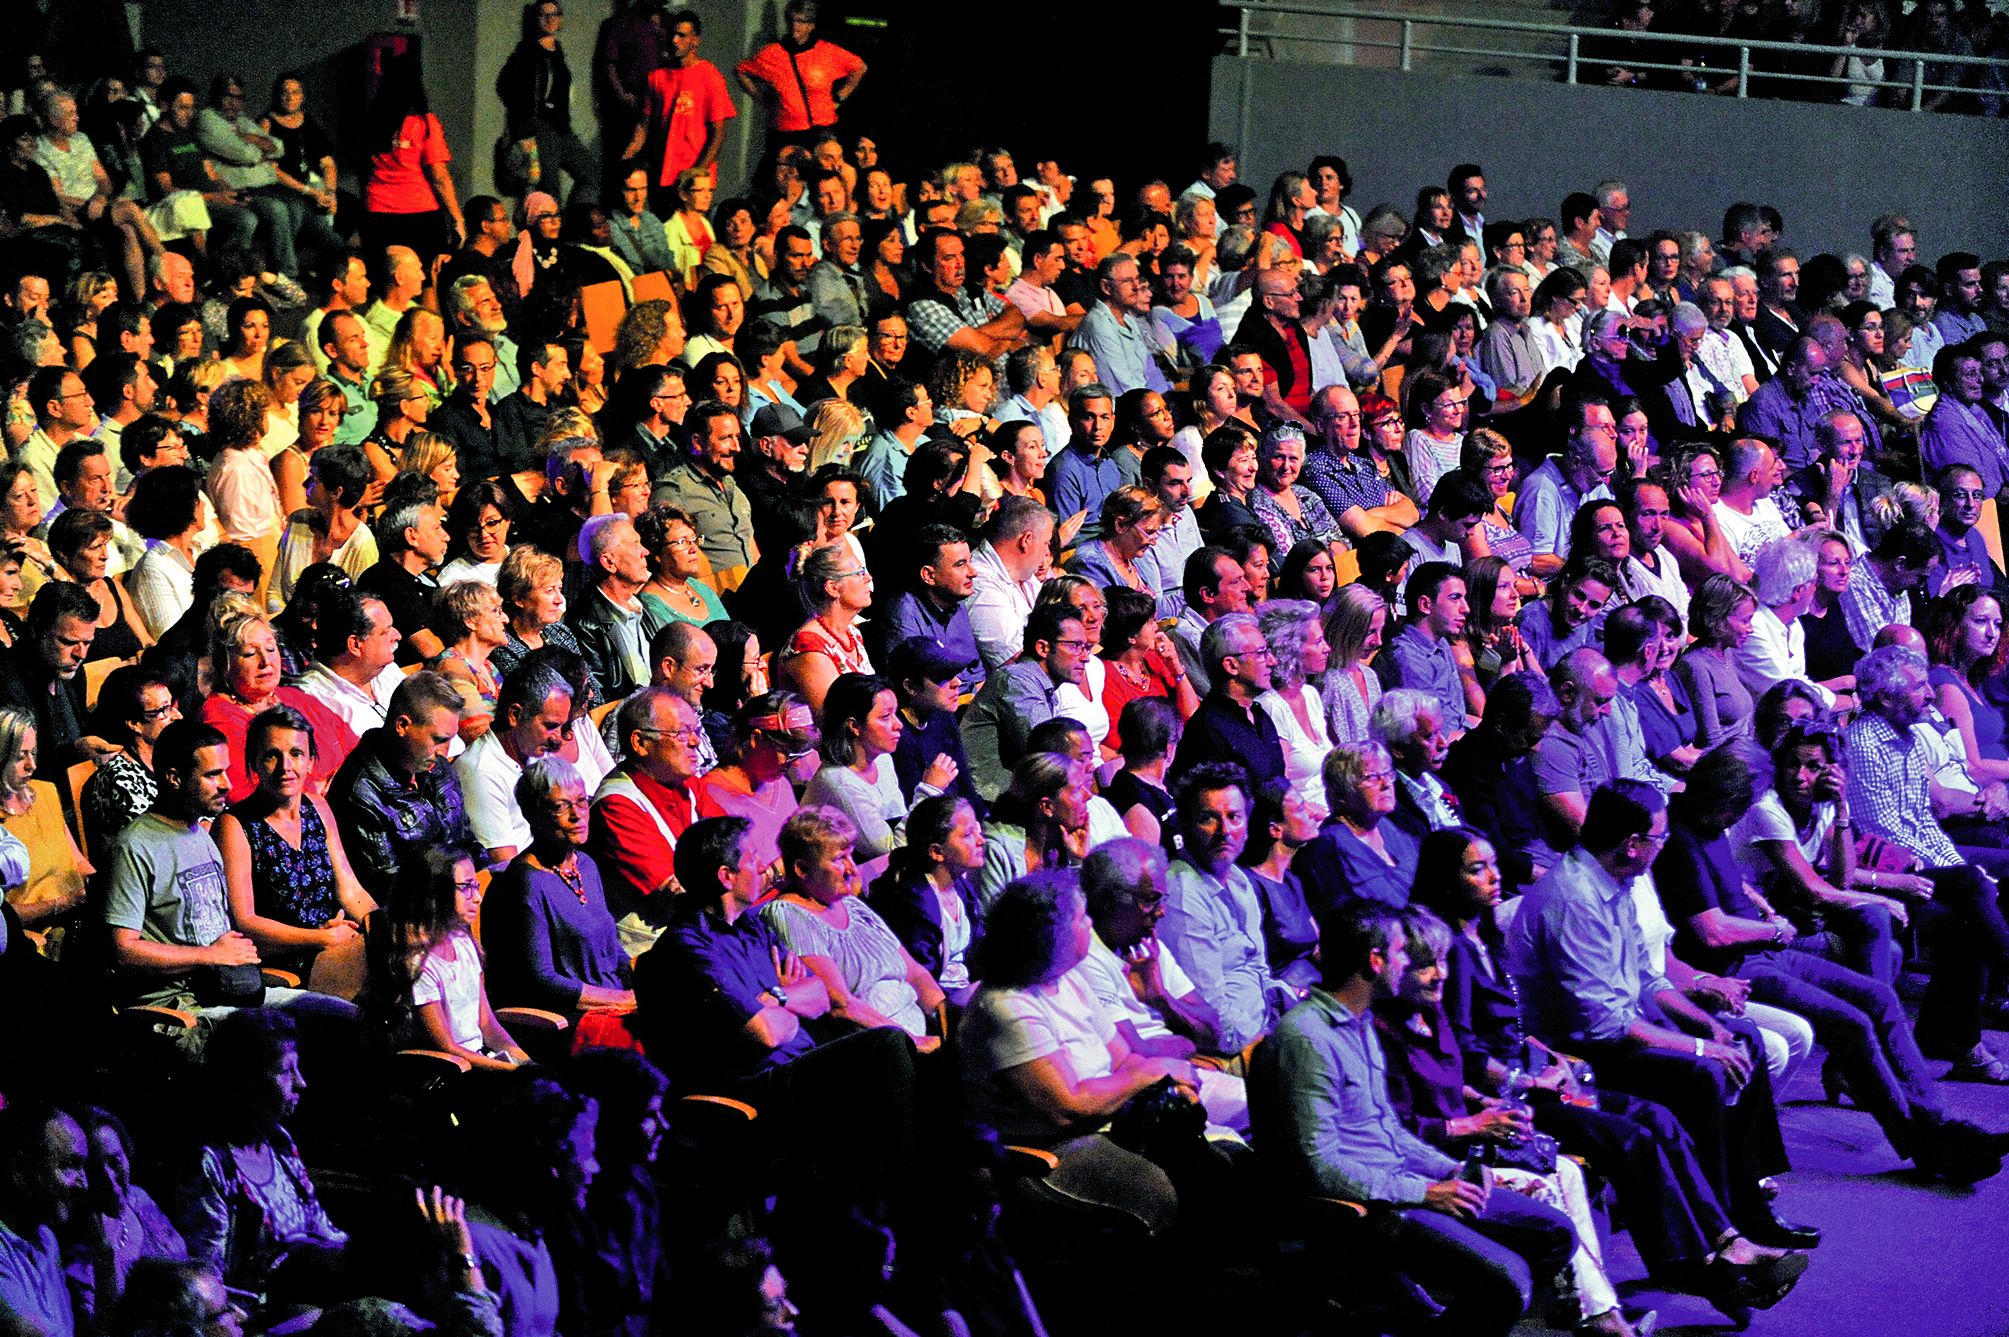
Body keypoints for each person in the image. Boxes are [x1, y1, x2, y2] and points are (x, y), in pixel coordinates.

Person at [1506, 781, 1813, 1254]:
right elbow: (1602, 1026)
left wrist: (1711, 1027)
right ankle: (1717, 1217)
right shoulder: (1575, 899)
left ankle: (1746, 1201)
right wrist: (1700, 1046)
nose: (1663, 846)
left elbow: (1648, 979)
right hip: (1578, 1052)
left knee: (1742, 1038)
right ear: (1632, 844)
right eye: (1659, 837)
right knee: (1704, 1071)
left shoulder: (1615, 882)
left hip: (1615, 1028)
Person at [1250, 901, 1577, 1337]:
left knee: (1554, 1232)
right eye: (1403, 953)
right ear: (1375, 959)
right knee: (1508, 1280)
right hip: (1366, 1208)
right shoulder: (1307, 1037)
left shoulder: (1360, 1023)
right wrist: (1425, 1192)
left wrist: (1452, 1170)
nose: (1408, 965)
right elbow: (1319, 1164)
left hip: (1398, 1182)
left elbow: (1388, 1131)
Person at [957, 874, 1206, 1238]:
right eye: (1081, 918)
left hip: (1109, 1122)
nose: (1090, 924)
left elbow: (1123, 1060)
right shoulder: (1005, 1005)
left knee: (1217, 1165)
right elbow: (1067, 1106)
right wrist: (1152, 1073)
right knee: (1159, 1191)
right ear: (1048, 933)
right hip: (1049, 1150)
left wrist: (1172, 1081)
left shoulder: (1068, 978)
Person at [1846, 643, 2009, 1080]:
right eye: (1920, 688)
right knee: (1975, 892)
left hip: (1924, 861)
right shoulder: (1863, 743)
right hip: (1883, 873)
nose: (1931, 695)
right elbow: (1881, 831)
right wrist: (1959, 874)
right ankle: (1964, 1035)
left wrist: (1957, 865)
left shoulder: (1909, 737)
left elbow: (1922, 819)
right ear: (1884, 697)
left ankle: (1953, 1039)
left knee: (1976, 901)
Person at [172, 1011, 349, 1302]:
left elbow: (322, 1228)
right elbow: (210, 1272)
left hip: (309, 1293)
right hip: (256, 1312)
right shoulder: (211, 1164)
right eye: (286, 1071)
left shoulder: (278, 1142)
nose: (301, 1083)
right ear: (248, 1080)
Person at [213, 705, 377, 981]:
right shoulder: (234, 825)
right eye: (271, 756)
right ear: (253, 764)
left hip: (335, 939)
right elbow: (245, 921)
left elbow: (349, 889)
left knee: (413, 950)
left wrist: (384, 927)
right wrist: (319, 938)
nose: (285, 767)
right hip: (285, 958)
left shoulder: (318, 806)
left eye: (296, 754)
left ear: (311, 761)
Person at [483, 754, 636, 1016]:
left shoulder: (585, 865)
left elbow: (612, 951)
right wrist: (621, 1000)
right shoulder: (525, 882)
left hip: (615, 1003)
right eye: (560, 807)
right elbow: (541, 980)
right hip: (571, 1018)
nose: (578, 815)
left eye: (581, 802)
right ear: (532, 814)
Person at [329, 670, 473, 901]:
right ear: (403, 725)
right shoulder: (359, 795)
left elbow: (467, 839)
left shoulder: (437, 767)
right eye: (438, 740)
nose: (446, 752)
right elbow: (390, 888)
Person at [195, 602, 357, 800]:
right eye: (249, 654)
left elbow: (358, 752)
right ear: (224, 664)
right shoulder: (218, 717)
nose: (266, 661)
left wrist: (336, 783)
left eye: (271, 649)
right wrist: (324, 791)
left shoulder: (294, 697)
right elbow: (252, 795)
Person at [870, 794, 986, 1000]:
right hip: (938, 999)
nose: (981, 840)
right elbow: (922, 978)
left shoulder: (960, 887)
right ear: (936, 852)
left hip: (966, 989)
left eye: (977, 829)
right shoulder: (914, 904)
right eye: (968, 834)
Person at [1170, 611, 1286, 792]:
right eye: (1261, 653)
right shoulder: (1207, 731)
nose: (1272, 661)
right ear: (1231, 666)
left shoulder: (1259, 715)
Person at [1676, 574, 1760, 751]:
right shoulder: (1695, 666)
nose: (1750, 629)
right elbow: (1711, 740)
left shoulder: (1727, 653)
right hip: (1726, 766)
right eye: (1745, 621)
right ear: (1718, 619)